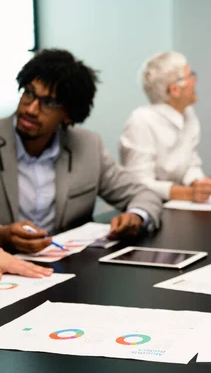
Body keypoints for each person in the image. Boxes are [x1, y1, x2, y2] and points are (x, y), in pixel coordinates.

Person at [0, 49, 162, 254]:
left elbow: (144, 194)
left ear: (68, 115)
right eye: (29, 93)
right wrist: (3, 235)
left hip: (68, 270)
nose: (31, 109)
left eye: (48, 103)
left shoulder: (87, 146)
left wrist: (136, 216)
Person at [120, 52, 211, 203]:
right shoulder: (141, 121)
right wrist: (188, 194)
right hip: (149, 208)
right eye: (190, 75)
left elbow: (190, 163)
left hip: (178, 205)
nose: (195, 80)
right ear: (174, 90)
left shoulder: (188, 114)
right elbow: (137, 183)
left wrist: (198, 183)